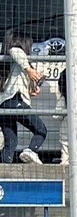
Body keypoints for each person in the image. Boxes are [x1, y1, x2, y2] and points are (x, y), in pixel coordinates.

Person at [2, 29, 47, 164]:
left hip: (5, 104)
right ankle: (31, 150)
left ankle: (3, 169)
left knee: (11, 142)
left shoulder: (11, 63)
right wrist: (29, 70)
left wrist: (32, 89)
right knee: (41, 130)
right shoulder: (18, 60)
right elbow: (15, 50)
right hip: (15, 100)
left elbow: (20, 83)